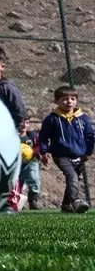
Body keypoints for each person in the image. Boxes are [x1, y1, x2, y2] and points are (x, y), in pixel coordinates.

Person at [39, 85, 93, 213]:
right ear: (57, 101)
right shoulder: (52, 119)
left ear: (76, 101)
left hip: (80, 155)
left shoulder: (83, 119)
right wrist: (44, 151)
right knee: (72, 176)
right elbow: (43, 136)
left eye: (72, 99)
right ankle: (76, 201)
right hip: (61, 155)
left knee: (73, 179)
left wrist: (89, 152)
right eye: (64, 99)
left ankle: (66, 205)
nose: (69, 102)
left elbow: (90, 136)